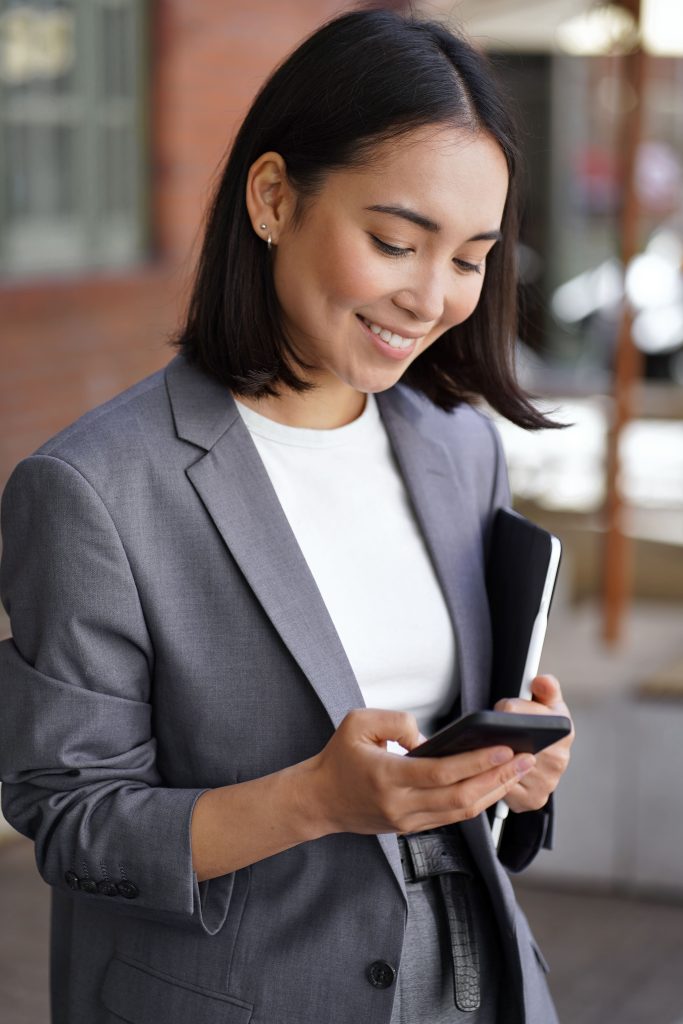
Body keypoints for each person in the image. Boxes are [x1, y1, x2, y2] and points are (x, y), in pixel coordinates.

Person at [0, 9, 573, 1024]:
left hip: (472, 987)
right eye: (395, 241)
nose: (433, 296)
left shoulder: (459, 446)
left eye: (470, 256)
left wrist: (507, 775)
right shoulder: (93, 488)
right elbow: (75, 822)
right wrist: (314, 799)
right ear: (271, 197)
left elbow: (458, 760)